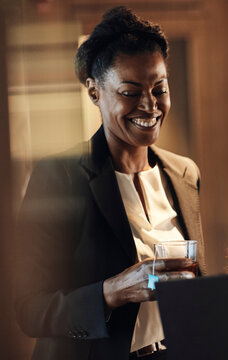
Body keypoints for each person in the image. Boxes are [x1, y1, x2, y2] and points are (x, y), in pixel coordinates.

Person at [15, 6, 205, 360]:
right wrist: (112, 292)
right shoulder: (59, 177)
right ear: (94, 92)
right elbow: (29, 309)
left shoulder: (184, 173)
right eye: (130, 92)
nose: (150, 105)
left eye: (159, 88)